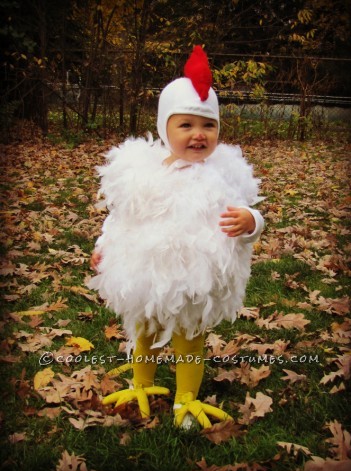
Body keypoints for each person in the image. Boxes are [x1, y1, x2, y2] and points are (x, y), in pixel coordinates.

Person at [88, 46, 264, 429]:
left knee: (189, 337)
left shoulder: (226, 174)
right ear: (165, 127)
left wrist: (250, 221)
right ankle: (142, 384)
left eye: (208, 126)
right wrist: (104, 246)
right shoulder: (143, 172)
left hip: (196, 279)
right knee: (144, 332)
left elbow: (251, 214)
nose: (198, 135)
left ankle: (186, 399)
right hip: (147, 274)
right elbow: (121, 217)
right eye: (185, 125)